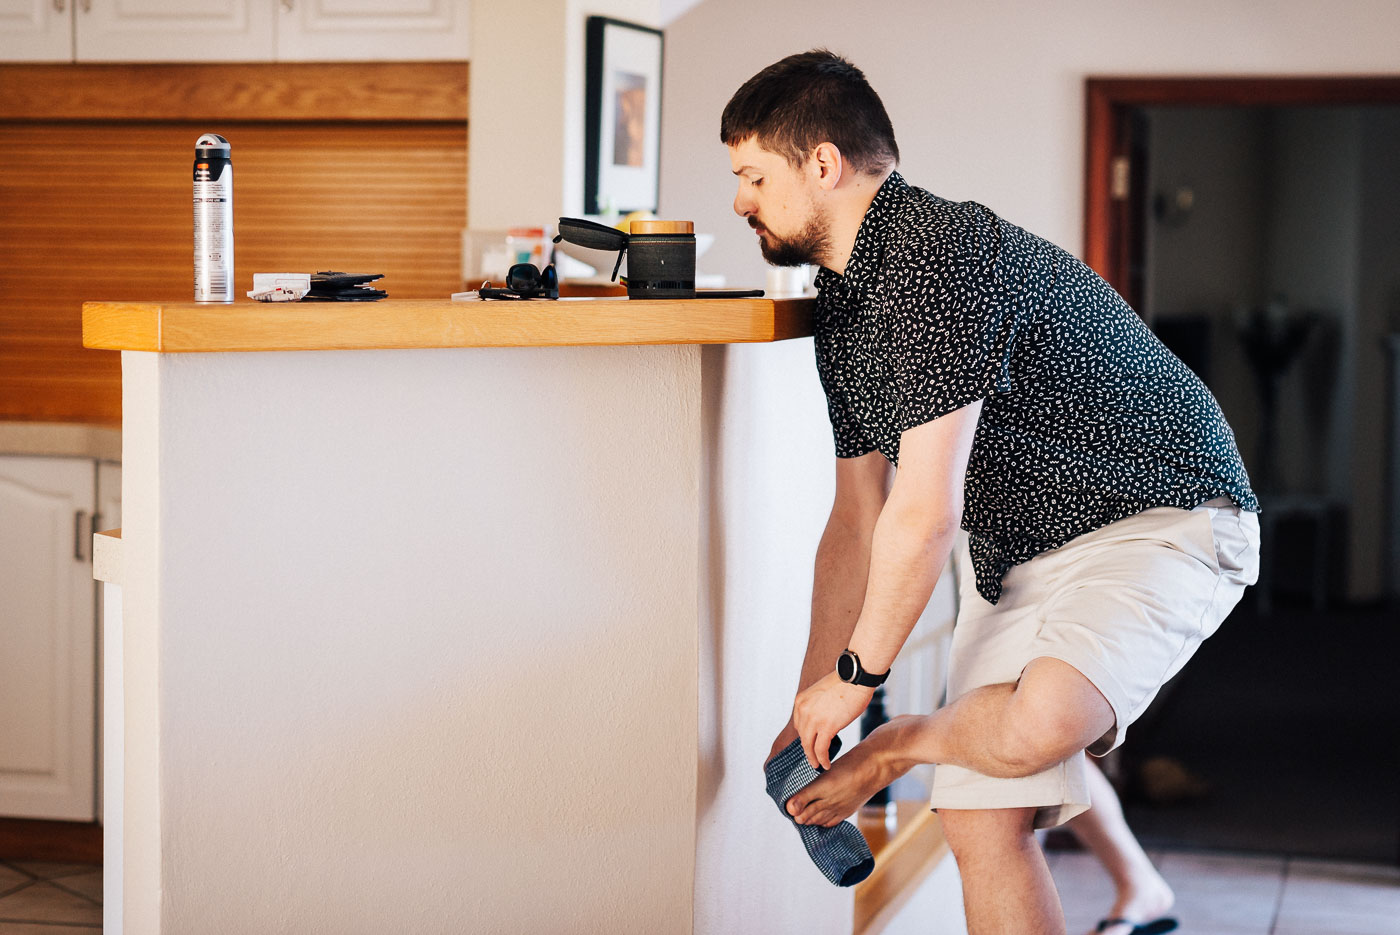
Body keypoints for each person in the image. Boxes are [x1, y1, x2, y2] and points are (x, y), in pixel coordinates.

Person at [731, 51, 1259, 935]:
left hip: (1161, 512)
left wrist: (864, 690)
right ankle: (908, 745)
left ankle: (905, 743)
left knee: (1046, 718)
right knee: (982, 819)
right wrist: (813, 696)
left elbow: (925, 511)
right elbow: (857, 517)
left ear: (821, 164)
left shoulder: (937, 257)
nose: (741, 199)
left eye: (752, 175)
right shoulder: (847, 302)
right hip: (1023, 550)